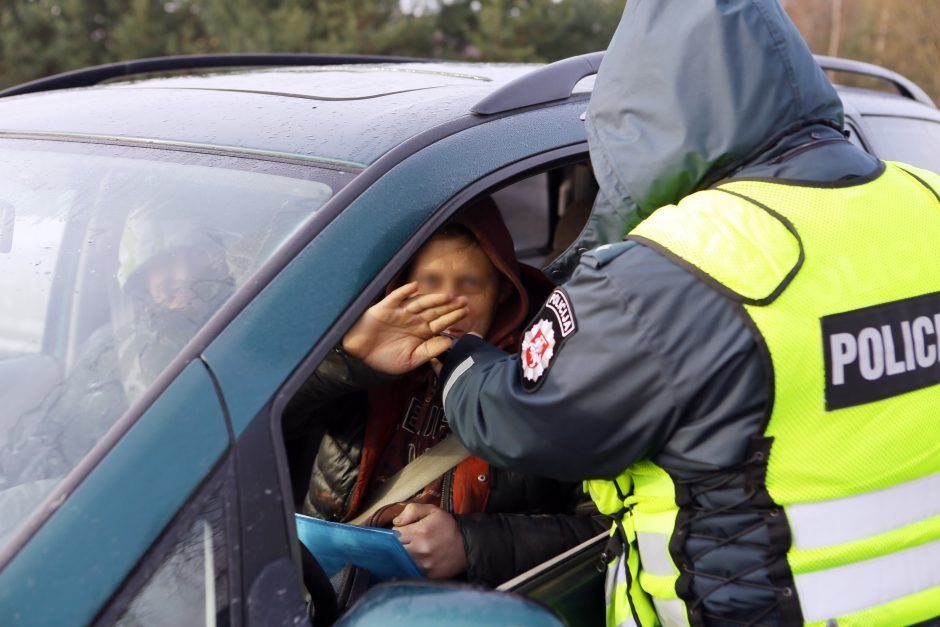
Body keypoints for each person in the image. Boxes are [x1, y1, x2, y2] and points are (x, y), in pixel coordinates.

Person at [350, 2, 940, 625]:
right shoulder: (925, 199)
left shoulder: (679, 266)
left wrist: (461, 355)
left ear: (652, 113)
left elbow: (523, 419)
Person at [282, 199, 605, 585]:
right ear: (401, 288)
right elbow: (252, 436)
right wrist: (349, 362)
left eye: (469, 284)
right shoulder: (356, 361)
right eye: (430, 284)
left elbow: (605, 530)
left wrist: (470, 544)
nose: (449, 303)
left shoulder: (550, 376)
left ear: (504, 290)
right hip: (328, 591)